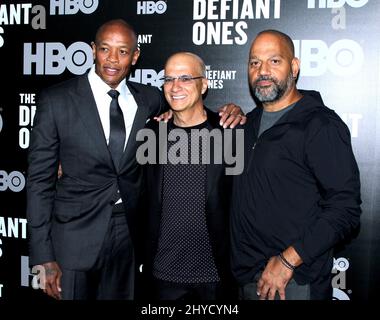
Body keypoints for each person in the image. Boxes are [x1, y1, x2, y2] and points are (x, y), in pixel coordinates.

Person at [27, 19, 244, 300]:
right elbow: (38, 183)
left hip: (131, 242)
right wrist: (42, 258)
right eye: (105, 49)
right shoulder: (56, 100)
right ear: (93, 50)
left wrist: (233, 110)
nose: (113, 59)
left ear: (136, 56)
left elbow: (188, 114)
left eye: (123, 51)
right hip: (72, 241)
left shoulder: (150, 101)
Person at [230, 30, 361, 300]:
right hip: (245, 279)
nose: (262, 70)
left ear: (295, 67)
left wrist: (289, 261)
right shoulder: (246, 125)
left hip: (292, 284)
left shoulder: (320, 125)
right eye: (255, 63)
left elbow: (345, 209)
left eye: (274, 61)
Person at [140, 52, 239, 300]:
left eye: (185, 78)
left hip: (214, 279)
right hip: (162, 277)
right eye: (169, 79)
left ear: (204, 84)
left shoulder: (229, 132)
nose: (175, 87)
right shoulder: (152, 133)